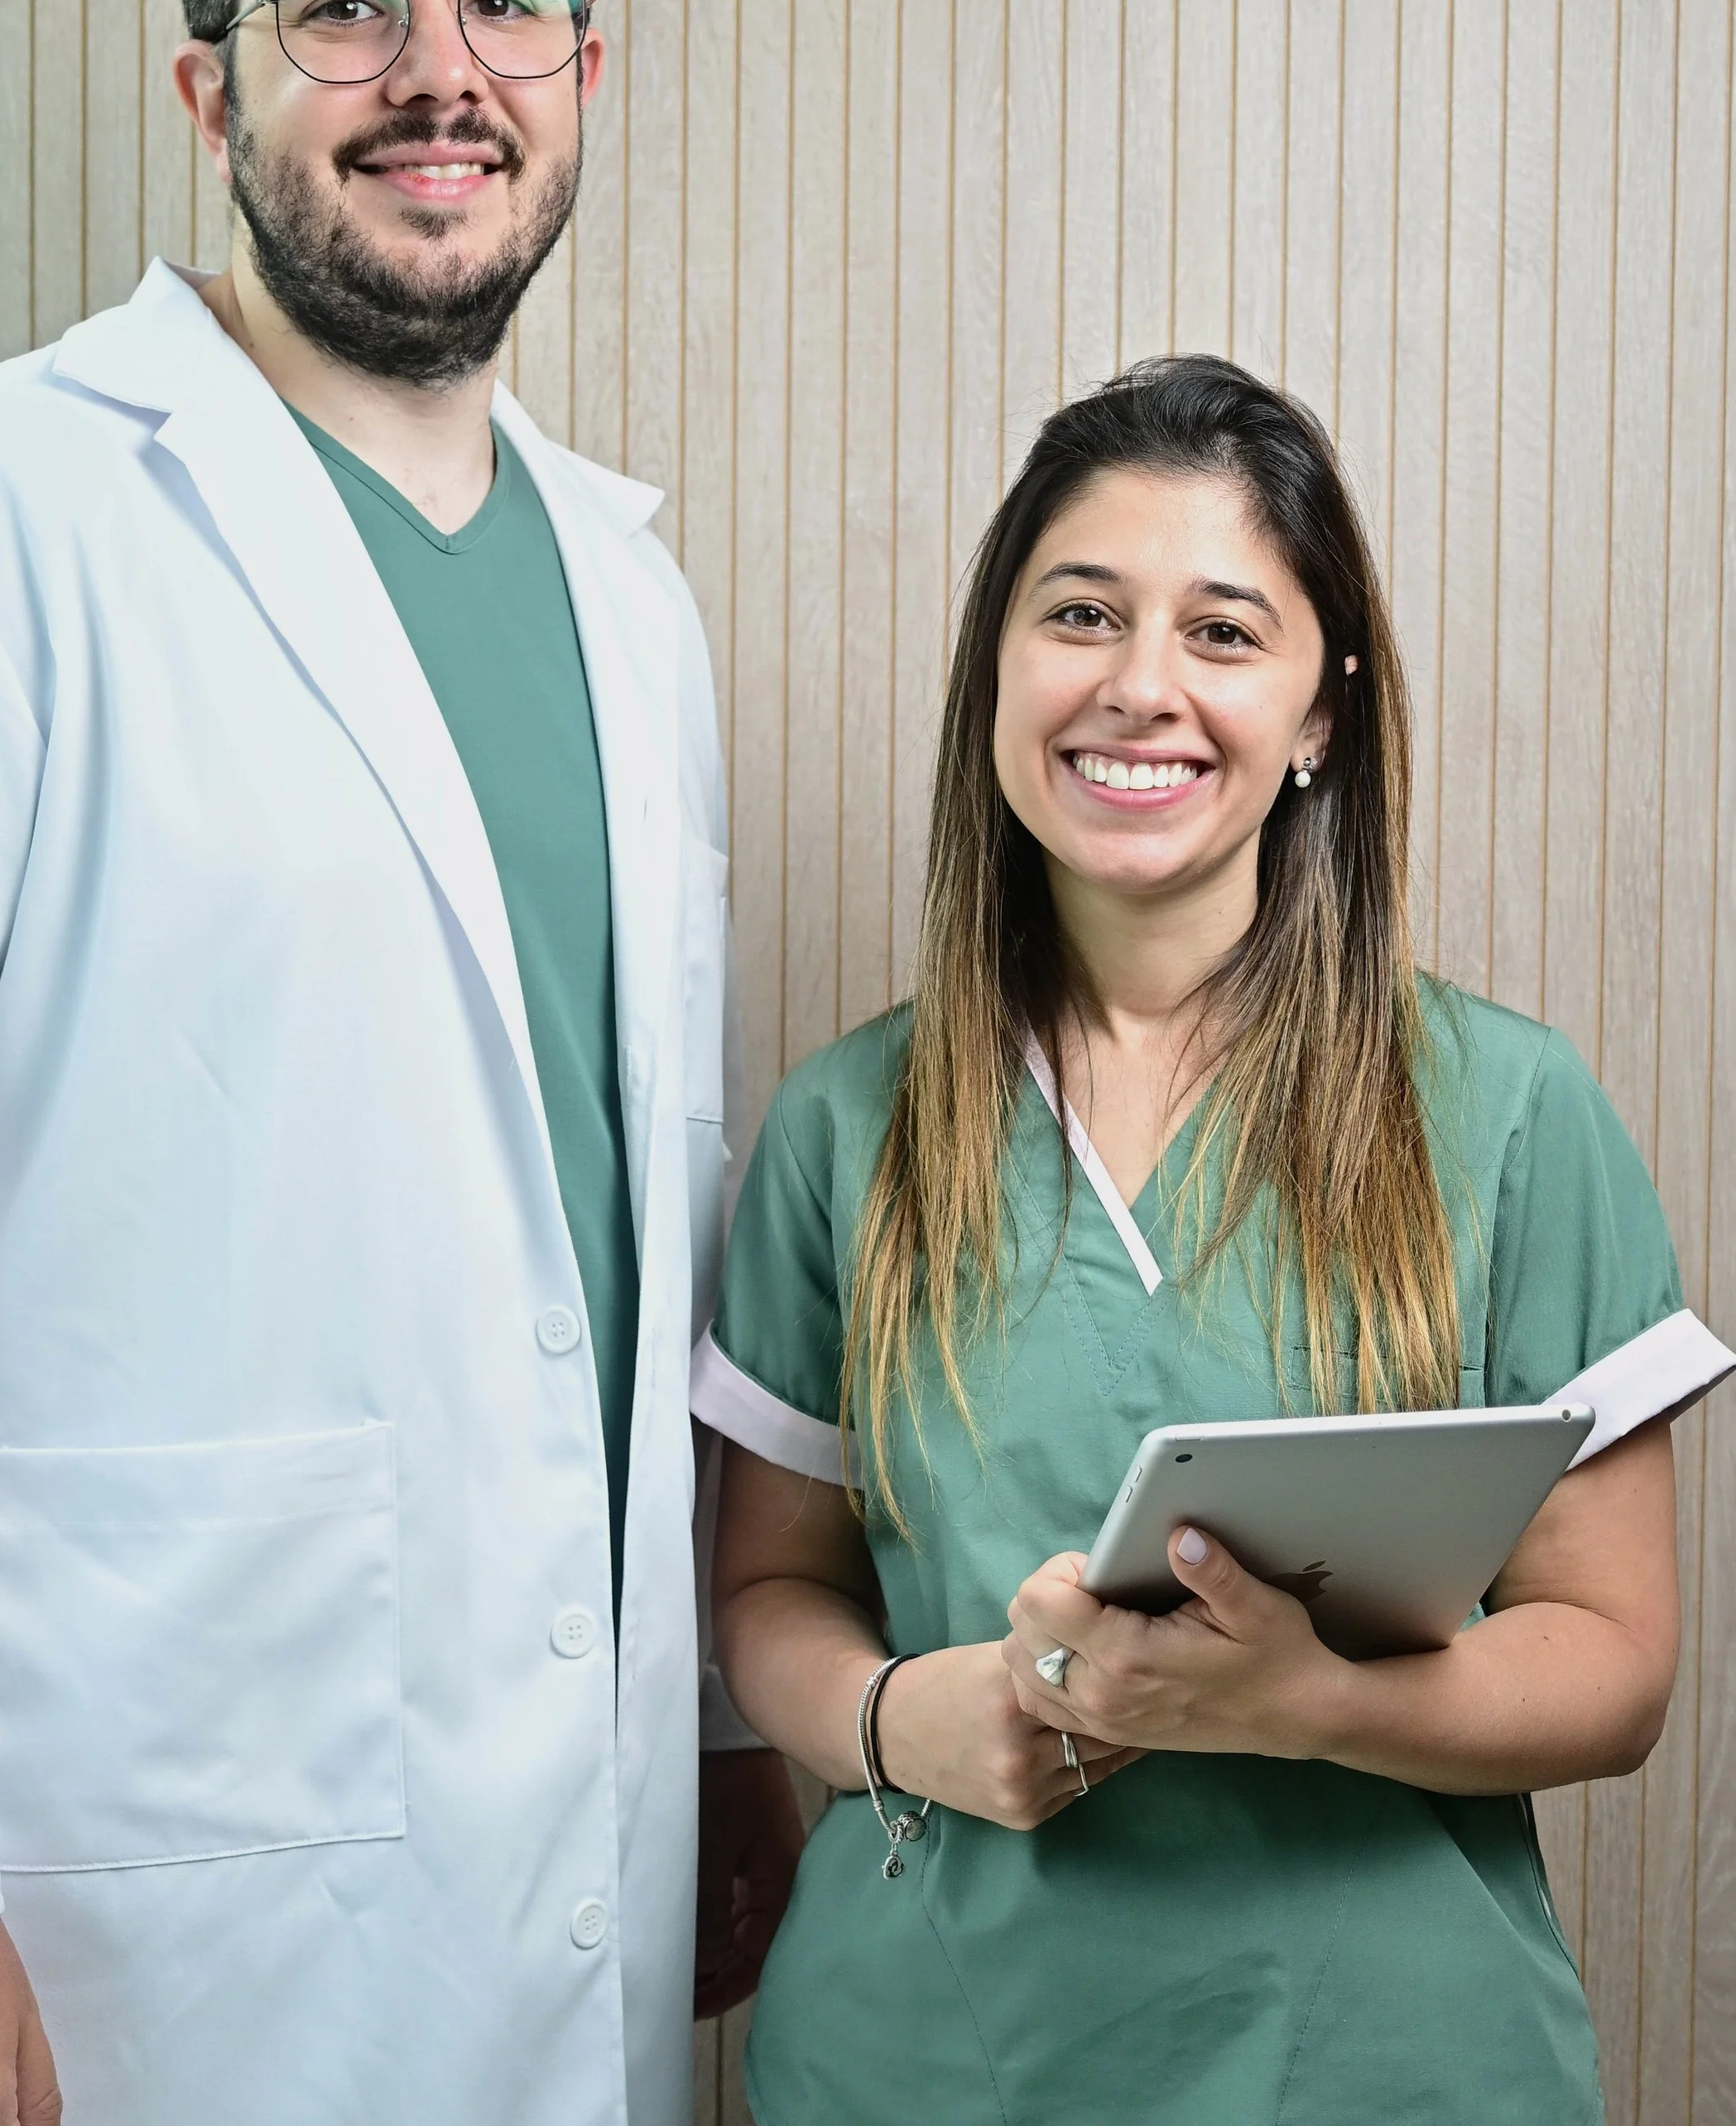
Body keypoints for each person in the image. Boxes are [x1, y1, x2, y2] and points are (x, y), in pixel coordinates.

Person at [0, 0, 801, 2126]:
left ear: (585, 69)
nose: (440, 72)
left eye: (508, 3)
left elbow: (634, 1236)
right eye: (340, 5)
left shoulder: (631, 602)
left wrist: (705, 1716)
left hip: (568, 1827)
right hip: (134, 1883)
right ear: (209, 91)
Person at [694, 357, 1733, 2124]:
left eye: (1223, 631)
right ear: (997, 674)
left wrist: (1304, 1701)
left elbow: (1613, 1665)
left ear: (1323, 708)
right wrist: (902, 1724)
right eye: (1079, 613)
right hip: (934, 2063)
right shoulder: (842, 1131)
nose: (1138, 686)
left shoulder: (1502, 1117)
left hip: (1389, 2071)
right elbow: (769, 1592)